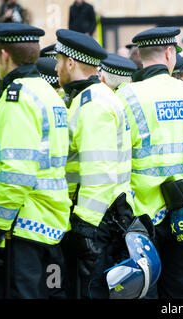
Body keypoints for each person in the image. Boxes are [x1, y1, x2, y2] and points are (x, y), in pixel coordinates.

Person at [0, 23, 71, 299]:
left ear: (3, 54)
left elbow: (16, 173)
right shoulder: (48, 94)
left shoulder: (16, 97)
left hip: (23, 224)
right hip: (52, 220)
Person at [115, 27, 183, 299]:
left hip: (141, 216)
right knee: (181, 291)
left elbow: (119, 158)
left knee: (145, 290)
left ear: (140, 57)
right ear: (170, 53)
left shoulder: (126, 95)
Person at [54, 29, 134, 299]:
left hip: (96, 222)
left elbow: (99, 173)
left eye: (58, 61)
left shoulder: (92, 105)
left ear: (70, 62)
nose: (56, 68)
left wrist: (84, 228)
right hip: (104, 217)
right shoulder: (94, 97)